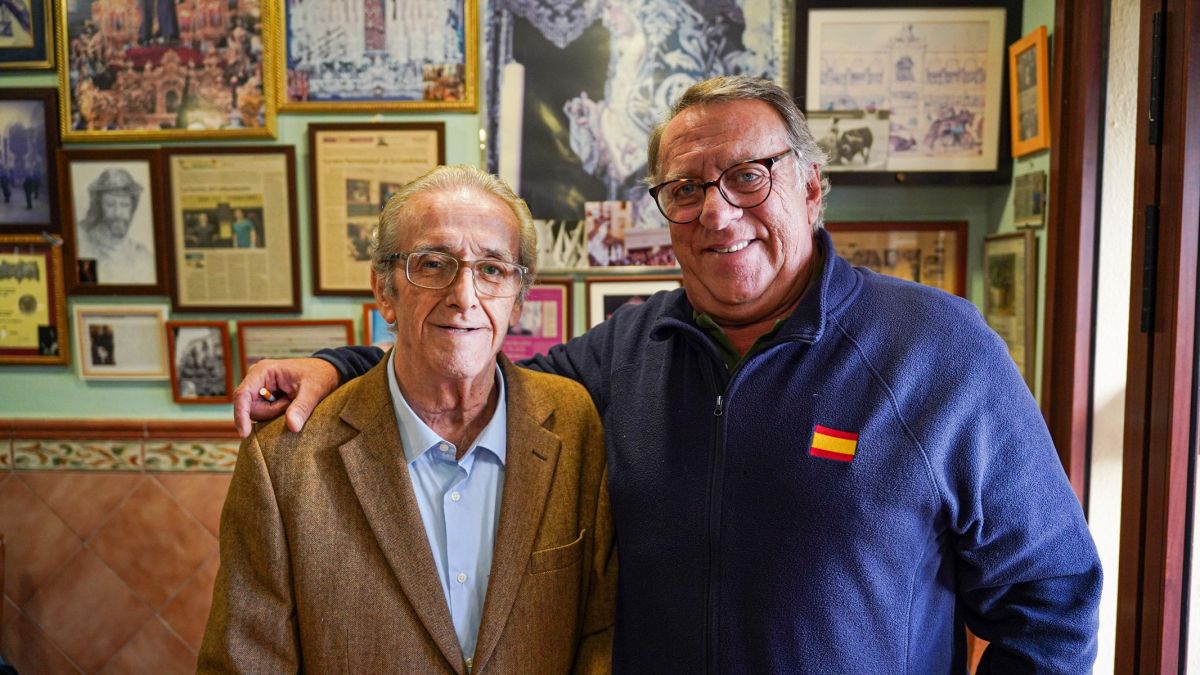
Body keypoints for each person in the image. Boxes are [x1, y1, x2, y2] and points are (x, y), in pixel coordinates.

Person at [233, 76, 1102, 672]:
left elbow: (1052, 595)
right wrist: (336, 366)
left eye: (747, 176)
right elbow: (471, 364)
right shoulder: (626, 349)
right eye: (685, 190)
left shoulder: (936, 349)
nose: (715, 212)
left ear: (811, 187)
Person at [200, 165, 615, 673]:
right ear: (384, 291)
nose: (464, 296)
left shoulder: (573, 423)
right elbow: (246, 662)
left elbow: (603, 631)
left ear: (519, 299)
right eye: (434, 263)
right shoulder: (286, 458)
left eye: (491, 269)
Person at [75, 168, 155, 284]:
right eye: (110, 204)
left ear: (132, 208)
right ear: (99, 207)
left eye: (125, 205)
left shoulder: (142, 255)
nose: (118, 213)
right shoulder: (82, 242)